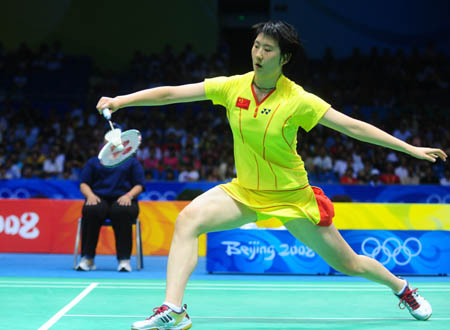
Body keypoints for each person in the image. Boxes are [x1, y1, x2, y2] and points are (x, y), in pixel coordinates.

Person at [96, 21, 447, 329]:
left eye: (267, 49)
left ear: (284, 58)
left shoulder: (298, 100)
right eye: (256, 46)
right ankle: (174, 311)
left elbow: (353, 127)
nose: (258, 54)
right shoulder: (232, 86)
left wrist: (411, 149)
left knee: (349, 263)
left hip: (293, 197)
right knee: (188, 220)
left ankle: (402, 289)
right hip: (245, 192)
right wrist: (123, 99)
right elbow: (173, 93)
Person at [76, 153, 145, 272]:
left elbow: (139, 185)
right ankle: (87, 258)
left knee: (122, 211)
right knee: (91, 210)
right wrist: (90, 195)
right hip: (98, 198)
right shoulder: (94, 162)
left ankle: (124, 260)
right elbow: (83, 183)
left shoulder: (131, 162)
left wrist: (129, 196)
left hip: (124, 199)